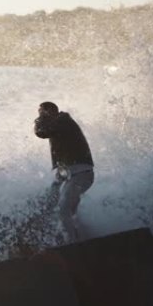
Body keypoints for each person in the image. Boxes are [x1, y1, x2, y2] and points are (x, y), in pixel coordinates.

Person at [34, 102, 94, 243]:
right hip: (72, 175)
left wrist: (39, 119)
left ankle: (72, 243)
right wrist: (57, 181)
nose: (40, 116)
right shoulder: (60, 123)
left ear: (48, 112)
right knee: (59, 203)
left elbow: (41, 132)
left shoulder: (62, 121)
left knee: (63, 208)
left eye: (41, 113)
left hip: (81, 174)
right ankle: (80, 236)